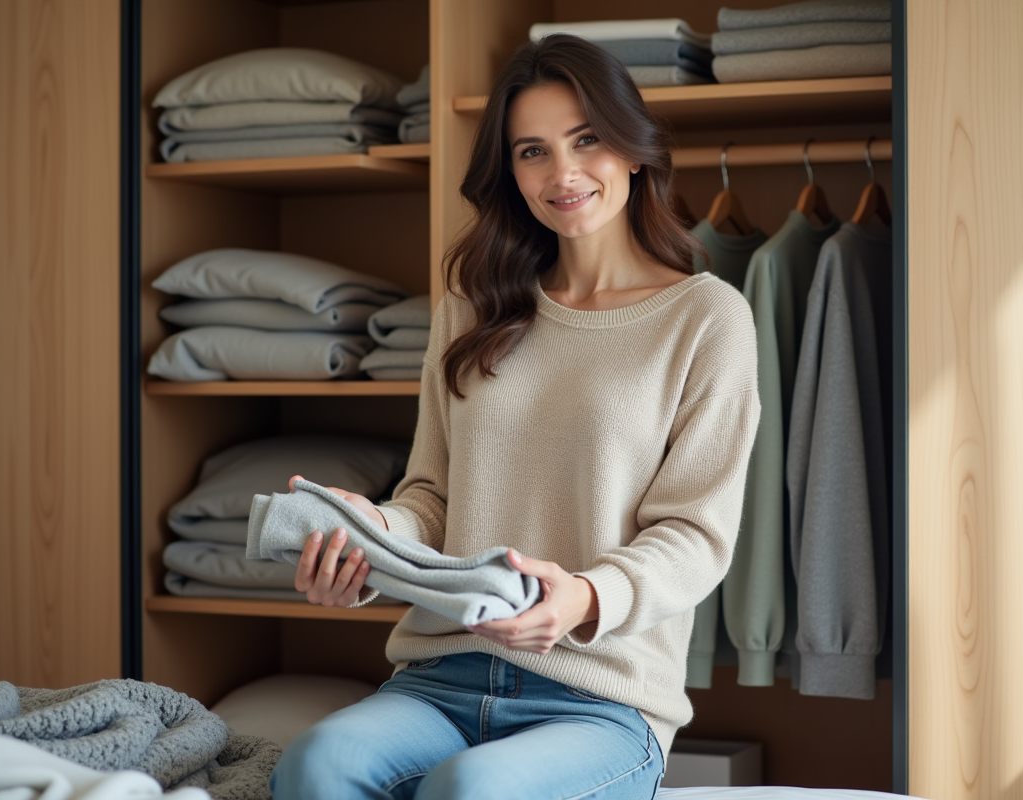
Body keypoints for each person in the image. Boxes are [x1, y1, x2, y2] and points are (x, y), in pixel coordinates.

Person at [269, 34, 760, 800]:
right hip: (441, 677)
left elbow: (696, 536)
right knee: (315, 764)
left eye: (586, 140)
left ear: (633, 149)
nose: (562, 173)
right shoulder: (471, 305)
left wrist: (584, 598)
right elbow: (432, 498)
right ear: (511, 171)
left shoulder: (705, 318)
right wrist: (369, 535)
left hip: (599, 698)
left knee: (471, 790)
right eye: (533, 151)